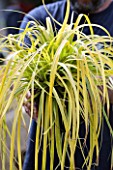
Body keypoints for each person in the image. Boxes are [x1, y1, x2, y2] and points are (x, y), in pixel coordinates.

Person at [21, 0, 113, 169]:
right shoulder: (39, 19)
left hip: (104, 156)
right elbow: (19, 74)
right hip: (46, 158)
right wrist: (26, 92)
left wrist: (101, 90)